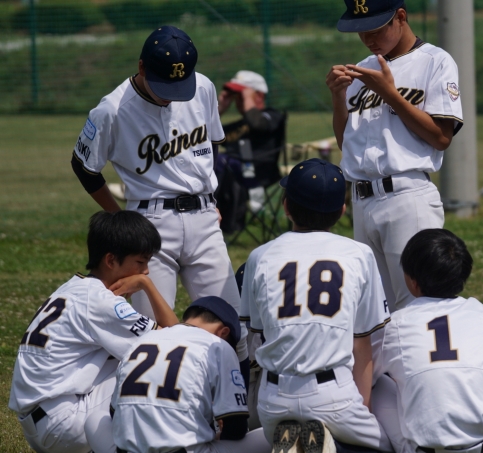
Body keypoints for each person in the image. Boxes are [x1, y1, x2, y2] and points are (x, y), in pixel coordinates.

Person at [69, 25, 248, 367]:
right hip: (150, 220)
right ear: (141, 67)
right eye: (164, 85)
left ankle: (235, 400)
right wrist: (121, 219)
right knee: (153, 336)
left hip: (204, 218)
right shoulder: (112, 109)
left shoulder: (202, 87)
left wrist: (211, 198)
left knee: (231, 326)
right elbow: (83, 166)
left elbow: (212, 145)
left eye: (179, 85)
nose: (172, 96)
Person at [240, 158, 392, 452]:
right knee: (385, 446)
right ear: (342, 211)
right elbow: (362, 344)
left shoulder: (261, 256)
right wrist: (362, 409)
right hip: (332, 396)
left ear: (286, 206)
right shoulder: (359, 254)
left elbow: (258, 334)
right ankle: (332, 447)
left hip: (274, 400)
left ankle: (298, 442)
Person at [327, 0, 463, 312]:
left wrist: (390, 94)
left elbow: (441, 137)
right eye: (361, 30)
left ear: (400, 17)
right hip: (363, 201)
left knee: (418, 304)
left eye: (375, 29)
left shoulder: (434, 61)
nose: (367, 38)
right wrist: (338, 97)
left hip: (406, 197)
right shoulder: (364, 68)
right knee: (375, 310)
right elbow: (346, 143)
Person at [8, 210, 179, 453]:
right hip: (64, 425)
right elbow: (177, 342)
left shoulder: (73, 288)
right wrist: (147, 286)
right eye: (141, 262)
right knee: (156, 363)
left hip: (43, 423)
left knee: (132, 356)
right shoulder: (101, 301)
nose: (146, 271)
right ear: (110, 260)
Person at [371, 228, 483, 453]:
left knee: (378, 385)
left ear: (412, 281)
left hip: (421, 450)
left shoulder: (394, 324)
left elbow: (365, 380)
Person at [111, 296, 270, 453]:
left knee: (99, 420)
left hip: (127, 450)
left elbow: (114, 413)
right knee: (270, 434)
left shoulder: (141, 341)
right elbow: (236, 427)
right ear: (223, 332)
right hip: (183, 451)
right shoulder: (218, 345)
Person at [215, 70, 286, 230]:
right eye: (236, 96)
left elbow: (258, 124)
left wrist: (248, 100)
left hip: (260, 173)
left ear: (259, 95)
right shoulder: (241, 124)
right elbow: (204, 135)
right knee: (214, 160)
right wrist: (219, 109)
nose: (238, 100)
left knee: (221, 161)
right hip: (235, 173)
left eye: (241, 95)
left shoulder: (272, 115)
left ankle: (223, 222)